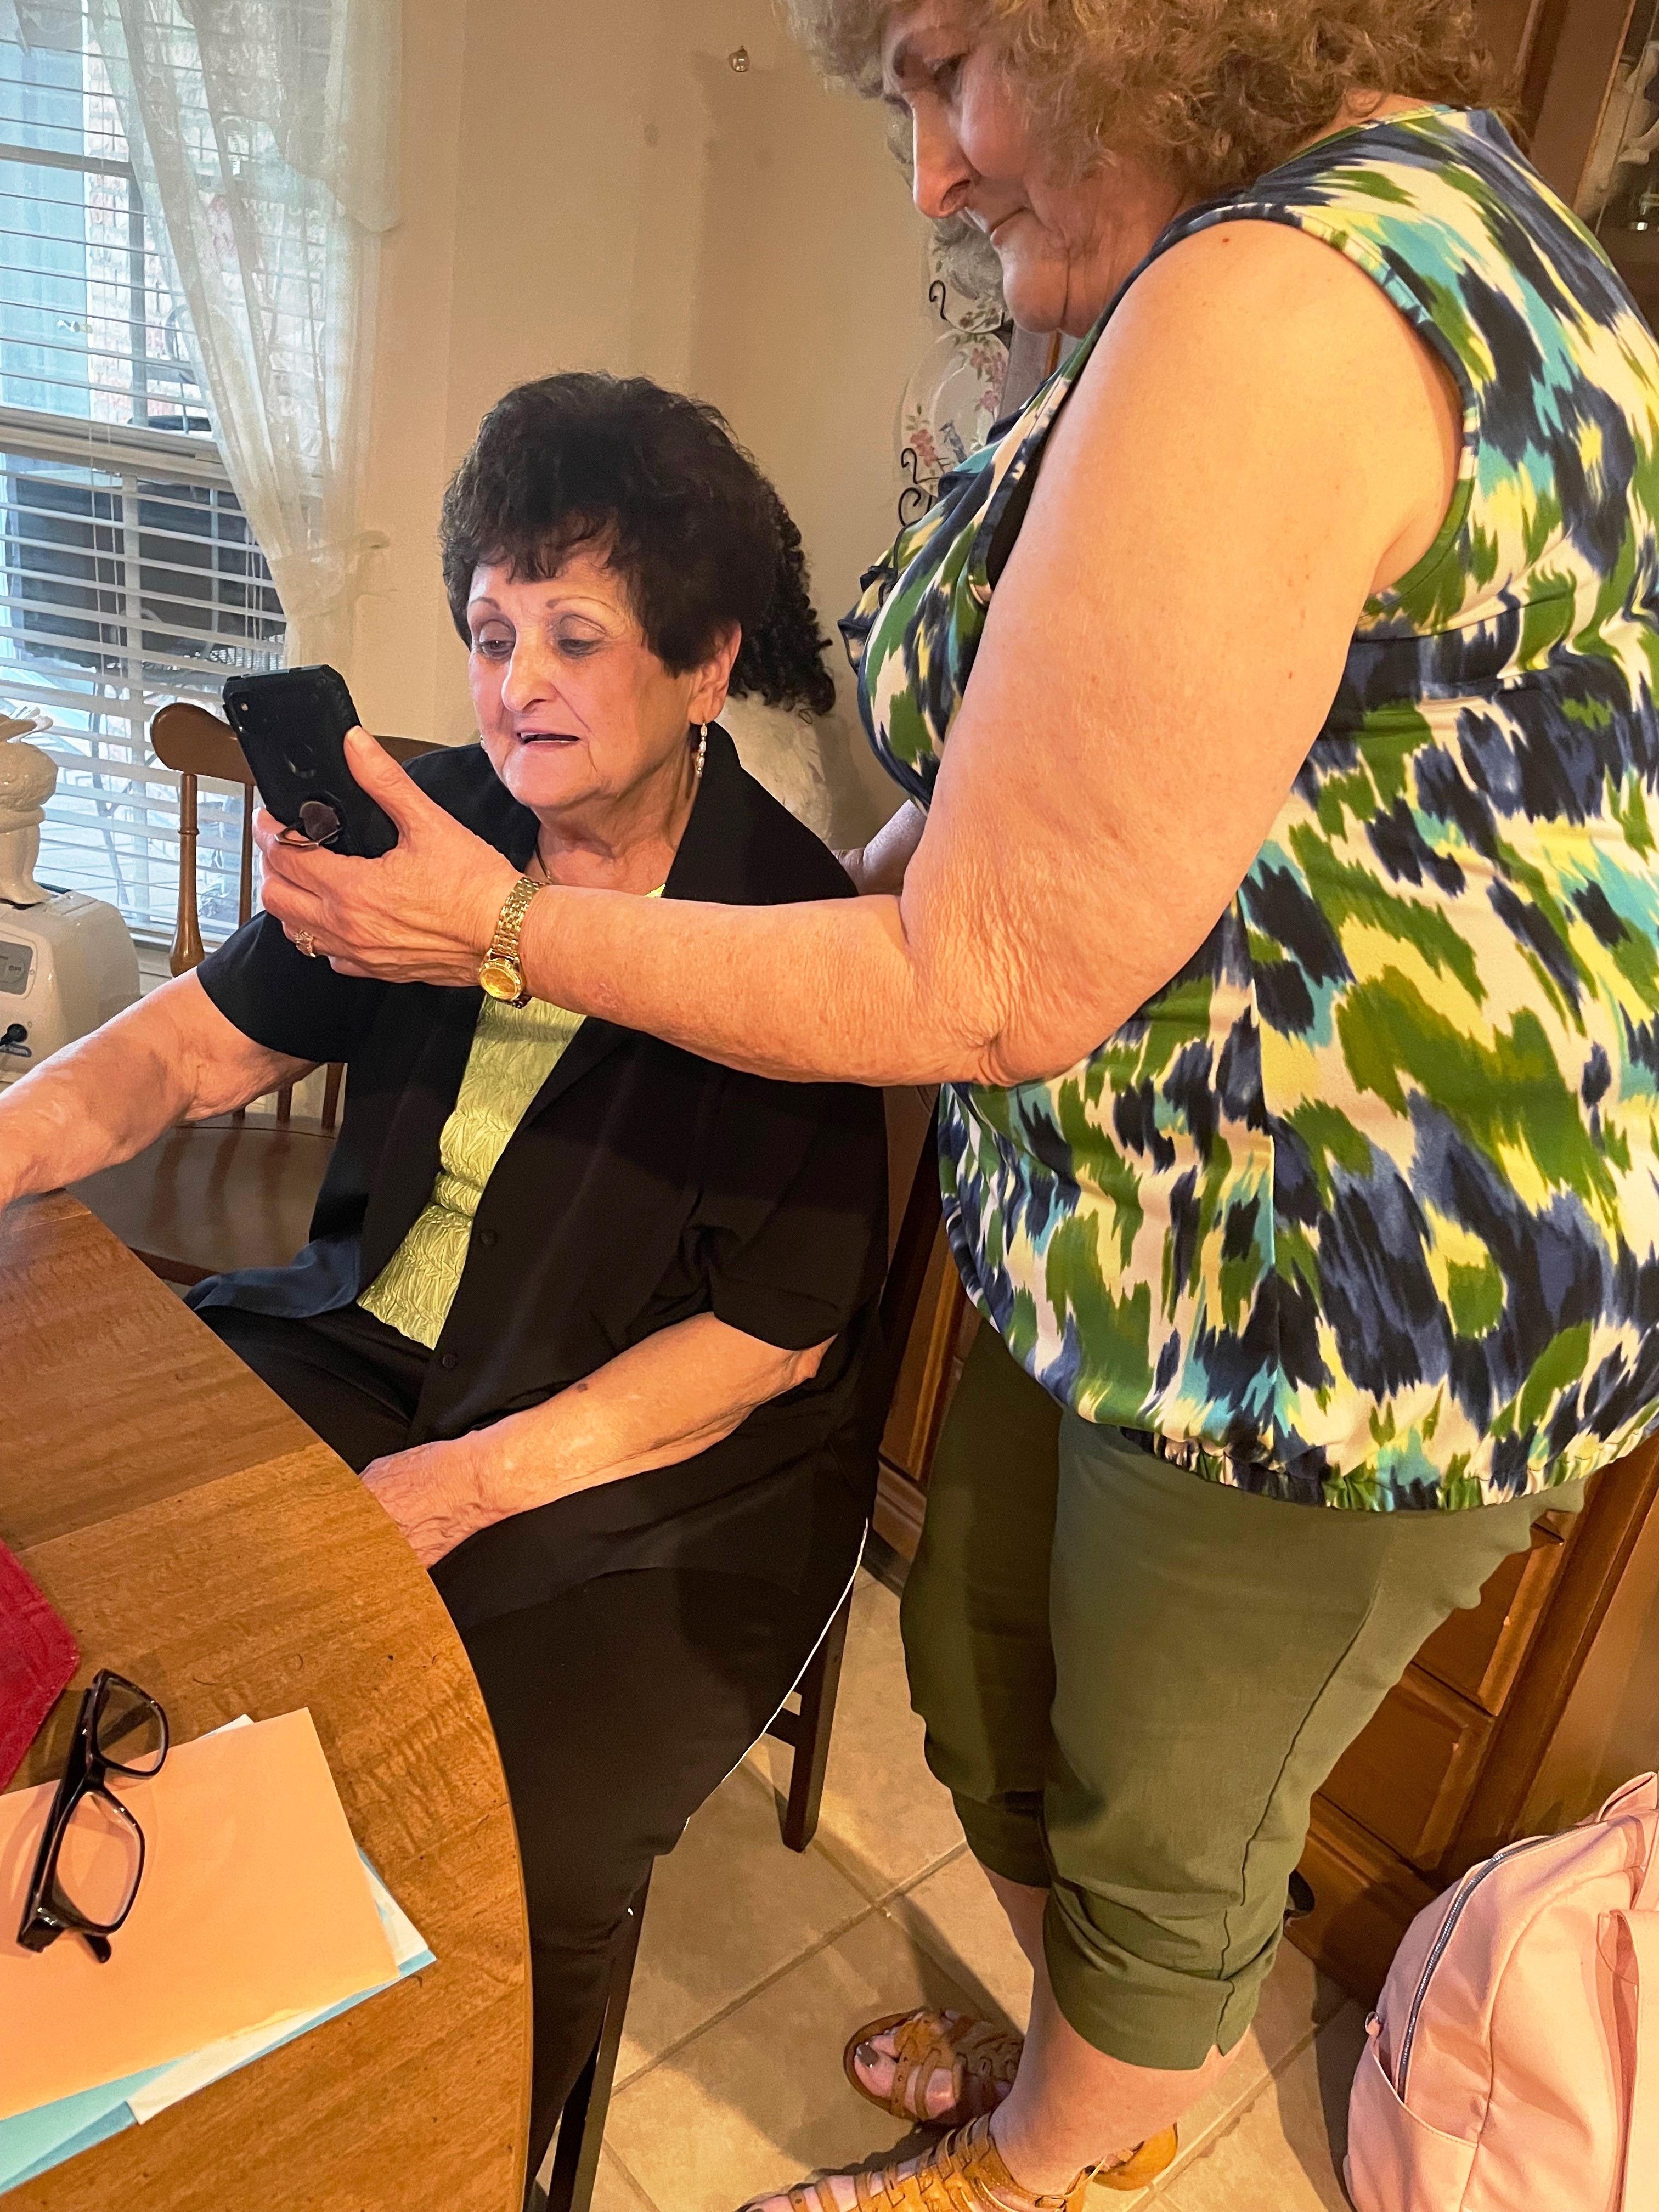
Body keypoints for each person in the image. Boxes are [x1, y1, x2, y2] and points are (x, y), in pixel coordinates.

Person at [202, 0, 1659, 2202]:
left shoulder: (1291, 307)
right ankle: (1088, 2072)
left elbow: (979, 978)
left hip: (1339, 1300)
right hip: (1113, 1229)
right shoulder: (1213, 266)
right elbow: (1033, 796)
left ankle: (1041, 2163)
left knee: (1163, 1818)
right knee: (983, 1698)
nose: (930, 173)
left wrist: (497, 929)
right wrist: (740, 904)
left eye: (949, 64)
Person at [0, 373, 887, 2207]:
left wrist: (463, 1487)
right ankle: (172, 2077)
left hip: (646, 1458)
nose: (517, 683)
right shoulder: (440, 832)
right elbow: (187, 1048)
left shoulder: (786, 930)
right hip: (376, 1341)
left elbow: (774, 1334)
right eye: (492, 633)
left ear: (707, 663)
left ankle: (457, 2159)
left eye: (578, 635)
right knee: (111, 1583)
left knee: (513, 1837)